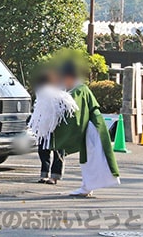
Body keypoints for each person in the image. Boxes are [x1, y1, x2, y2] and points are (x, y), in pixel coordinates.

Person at [53, 60, 120, 198]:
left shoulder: (79, 90)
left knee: (92, 159)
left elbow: (75, 114)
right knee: (91, 159)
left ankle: (87, 187)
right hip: (92, 127)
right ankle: (87, 186)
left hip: (92, 128)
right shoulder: (78, 89)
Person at [28, 70, 70, 184]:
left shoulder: (61, 91)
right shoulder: (41, 91)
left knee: (58, 150)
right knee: (43, 150)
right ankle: (44, 174)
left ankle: (55, 176)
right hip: (44, 125)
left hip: (57, 124)